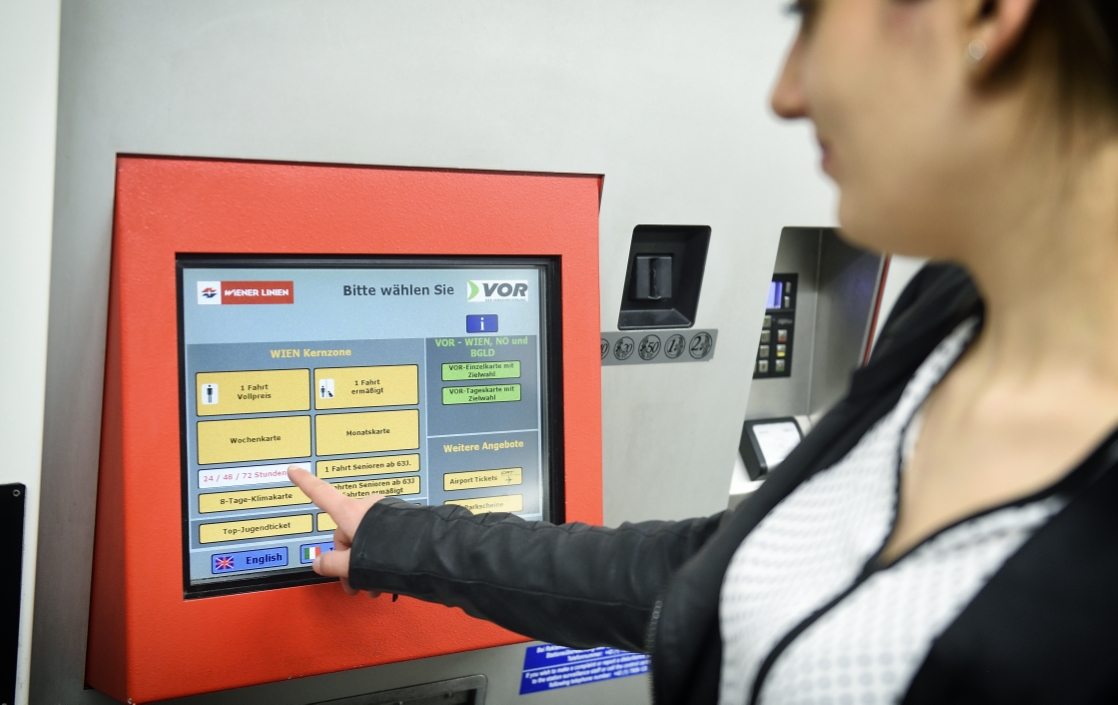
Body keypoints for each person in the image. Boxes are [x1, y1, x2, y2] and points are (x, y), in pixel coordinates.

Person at [289, 0, 1118, 702]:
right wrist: (400, 539)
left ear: (987, 13)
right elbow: (704, 575)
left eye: (810, 15)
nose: (785, 94)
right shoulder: (949, 317)